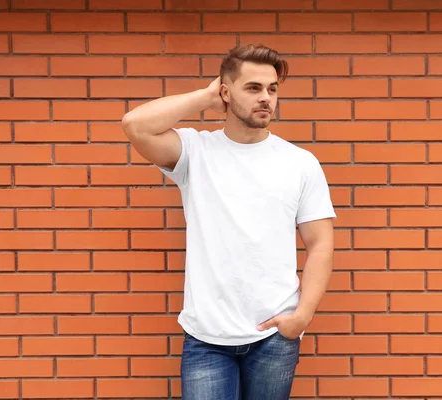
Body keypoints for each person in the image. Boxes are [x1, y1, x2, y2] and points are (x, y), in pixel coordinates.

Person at [121, 44, 336, 399]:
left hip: (274, 337)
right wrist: (206, 96)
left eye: (272, 89)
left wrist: (302, 316)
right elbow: (135, 125)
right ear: (226, 92)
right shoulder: (196, 152)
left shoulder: (300, 163)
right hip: (207, 339)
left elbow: (321, 244)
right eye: (253, 88)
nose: (266, 98)